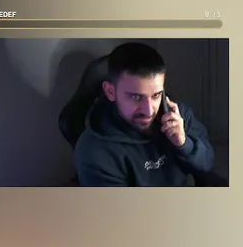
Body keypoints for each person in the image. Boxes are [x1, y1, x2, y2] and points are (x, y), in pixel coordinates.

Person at [75, 42, 216, 187]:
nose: (149, 111)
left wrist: (184, 144)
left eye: (156, 95)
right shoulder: (94, 151)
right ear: (111, 92)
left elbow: (207, 165)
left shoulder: (177, 115)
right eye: (136, 97)